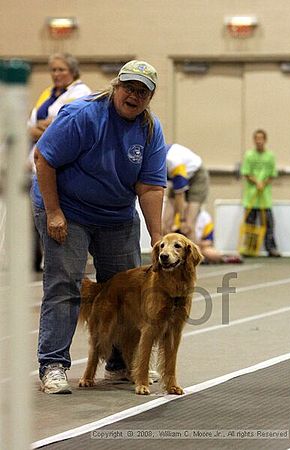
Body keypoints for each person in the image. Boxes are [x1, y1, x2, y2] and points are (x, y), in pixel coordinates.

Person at [31, 60, 167, 394]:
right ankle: (53, 365)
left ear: (149, 98)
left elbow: (150, 187)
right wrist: (54, 213)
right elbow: (43, 159)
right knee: (65, 284)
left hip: (116, 214)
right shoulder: (83, 115)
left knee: (126, 289)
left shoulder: (150, 130)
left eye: (142, 92)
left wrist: (158, 236)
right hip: (67, 208)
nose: (133, 96)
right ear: (116, 86)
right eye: (129, 88)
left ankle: (120, 365)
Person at [28, 53, 91, 271]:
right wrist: (38, 129)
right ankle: (34, 260)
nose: (56, 74)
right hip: (35, 164)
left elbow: (61, 127)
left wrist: (41, 130)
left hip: (61, 167)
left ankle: (60, 263)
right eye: (53, 70)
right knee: (35, 217)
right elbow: (32, 125)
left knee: (57, 215)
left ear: (73, 71)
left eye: (61, 69)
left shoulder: (81, 93)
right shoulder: (47, 93)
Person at [240, 129, 281, 257]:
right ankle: (250, 249)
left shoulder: (270, 156)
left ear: (265, 140)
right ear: (254, 140)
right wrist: (256, 182)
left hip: (265, 198)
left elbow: (273, 174)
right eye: (256, 138)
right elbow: (246, 172)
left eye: (261, 138)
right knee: (250, 224)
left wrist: (264, 183)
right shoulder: (249, 155)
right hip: (251, 197)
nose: (259, 141)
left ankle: (271, 248)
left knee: (269, 224)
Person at [162, 143, 209, 242]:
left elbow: (180, 194)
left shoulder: (173, 161)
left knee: (188, 226)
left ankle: (193, 256)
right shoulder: (149, 160)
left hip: (196, 177)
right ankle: (166, 255)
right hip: (176, 179)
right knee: (165, 224)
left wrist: (181, 220)